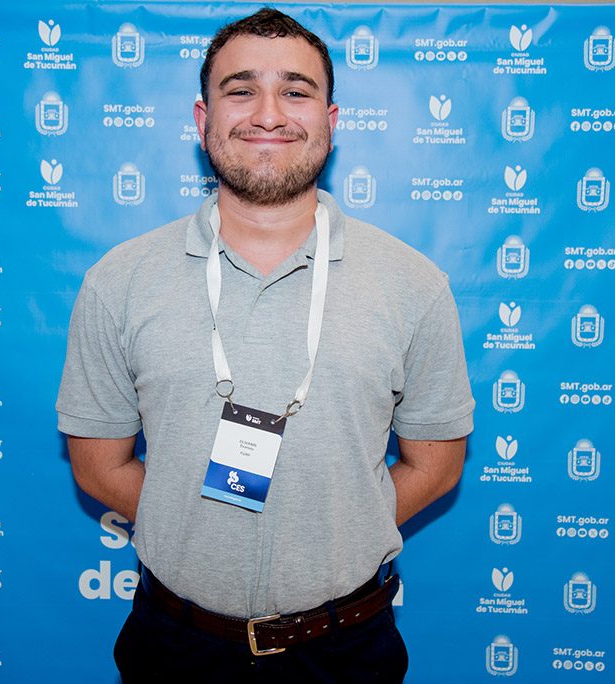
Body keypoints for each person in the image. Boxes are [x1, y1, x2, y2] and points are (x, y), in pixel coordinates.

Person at [56, 8, 474, 682]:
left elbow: (437, 466)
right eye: (241, 90)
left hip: (346, 650)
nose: (269, 114)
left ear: (331, 122)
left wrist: (330, 529)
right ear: (203, 119)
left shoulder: (414, 285)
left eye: (295, 91)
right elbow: (99, 466)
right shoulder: (119, 282)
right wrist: (198, 524)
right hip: (175, 647)